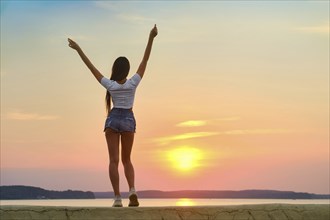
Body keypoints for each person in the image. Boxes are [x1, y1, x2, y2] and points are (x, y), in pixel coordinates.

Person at [68, 25, 158, 207]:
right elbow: (145, 60)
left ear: (115, 69)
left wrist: (78, 49)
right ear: (127, 70)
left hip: (112, 119)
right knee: (127, 160)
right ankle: (132, 190)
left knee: (113, 161)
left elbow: (91, 67)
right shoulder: (133, 83)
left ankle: (117, 198)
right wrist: (151, 37)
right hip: (128, 119)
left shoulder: (111, 85)